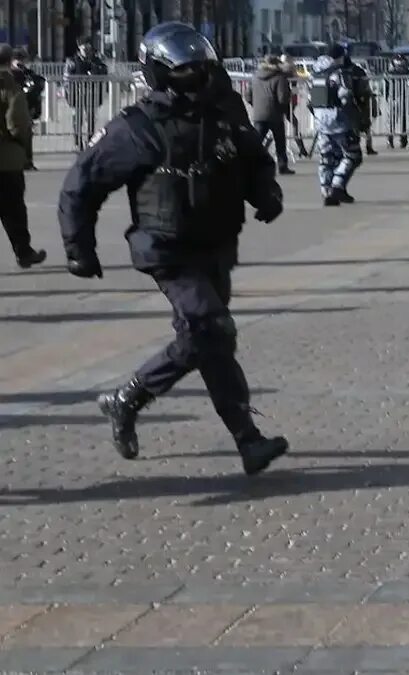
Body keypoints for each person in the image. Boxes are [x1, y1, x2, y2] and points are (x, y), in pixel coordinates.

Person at [58, 22, 288, 475]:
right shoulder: (136, 128)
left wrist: (266, 194)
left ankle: (246, 441)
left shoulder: (222, 113)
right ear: (160, 73)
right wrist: (78, 249)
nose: (195, 78)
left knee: (208, 342)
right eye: (184, 71)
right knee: (213, 328)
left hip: (216, 243)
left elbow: (254, 158)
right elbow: (79, 187)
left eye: (200, 69)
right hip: (166, 249)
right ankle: (132, 394)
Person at [0, 44, 42, 269]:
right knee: (14, 211)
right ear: (9, 62)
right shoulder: (10, 87)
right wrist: (22, 146)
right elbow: (18, 123)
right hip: (7, 160)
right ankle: (23, 252)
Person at [308, 44, 367, 206]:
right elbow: (346, 97)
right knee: (353, 155)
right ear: (340, 56)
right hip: (339, 120)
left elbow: (309, 100)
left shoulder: (315, 73)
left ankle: (326, 191)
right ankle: (337, 186)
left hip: (321, 121)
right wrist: (357, 118)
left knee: (327, 157)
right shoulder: (339, 74)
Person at [248, 54, 295, 174]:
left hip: (259, 113)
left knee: (256, 141)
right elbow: (282, 98)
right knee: (280, 141)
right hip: (275, 114)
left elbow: (247, 95)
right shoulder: (279, 78)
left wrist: (257, 105)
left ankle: (250, 164)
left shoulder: (254, 76)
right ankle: (282, 166)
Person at [65, 37, 109, 150]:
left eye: (87, 47)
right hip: (77, 94)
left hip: (92, 94)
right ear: (79, 48)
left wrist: (96, 69)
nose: (85, 49)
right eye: (83, 47)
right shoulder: (73, 61)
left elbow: (104, 72)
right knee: (77, 118)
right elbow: (67, 77)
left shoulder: (96, 60)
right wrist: (69, 92)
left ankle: (90, 140)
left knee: (91, 118)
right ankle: (78, 141)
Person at [11, 48, 44, 170]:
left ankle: (27, 161)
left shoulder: (28, 74)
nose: (20, 63)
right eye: (17, 60)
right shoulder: (9, 75)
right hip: (12, 110)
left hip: (26, 109)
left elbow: (39, 84)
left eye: (22, 60)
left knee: (27, 136)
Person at [279, 54, 310, 158]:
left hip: (283, 101)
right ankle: (302, 149)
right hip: (287, 101)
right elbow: (295, 87)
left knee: (285, 124)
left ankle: (302, 149)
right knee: (293, 123)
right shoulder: (289, 71)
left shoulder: (280, 71)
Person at [385, 54, 409, 149]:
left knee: (403, 121)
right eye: (398, 60)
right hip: (394, 98)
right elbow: (386, 87)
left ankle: (403, 140)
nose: (400, 62)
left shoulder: (407, 72)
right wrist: (388, 98)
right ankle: (390, 139)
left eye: (402, 60)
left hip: (404, 97)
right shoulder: (390, 73)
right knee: (392, 120)